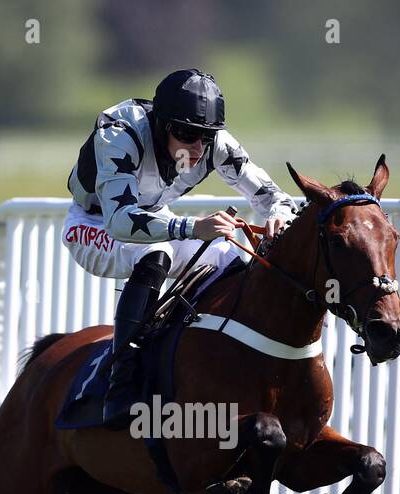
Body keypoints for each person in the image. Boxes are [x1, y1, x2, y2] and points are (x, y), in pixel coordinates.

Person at [64, 68, 300, 423]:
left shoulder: (216, 144)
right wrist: (191, 226)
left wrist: (279, 217)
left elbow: (274, 198)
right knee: (154, 253)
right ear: (161, 124)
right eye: (187, 134)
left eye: (205, 137)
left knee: (230, 261)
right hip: (95, 223)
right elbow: (120, 221)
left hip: (152, 217)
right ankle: (121, 382)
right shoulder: (119, 133)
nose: (196, 147)